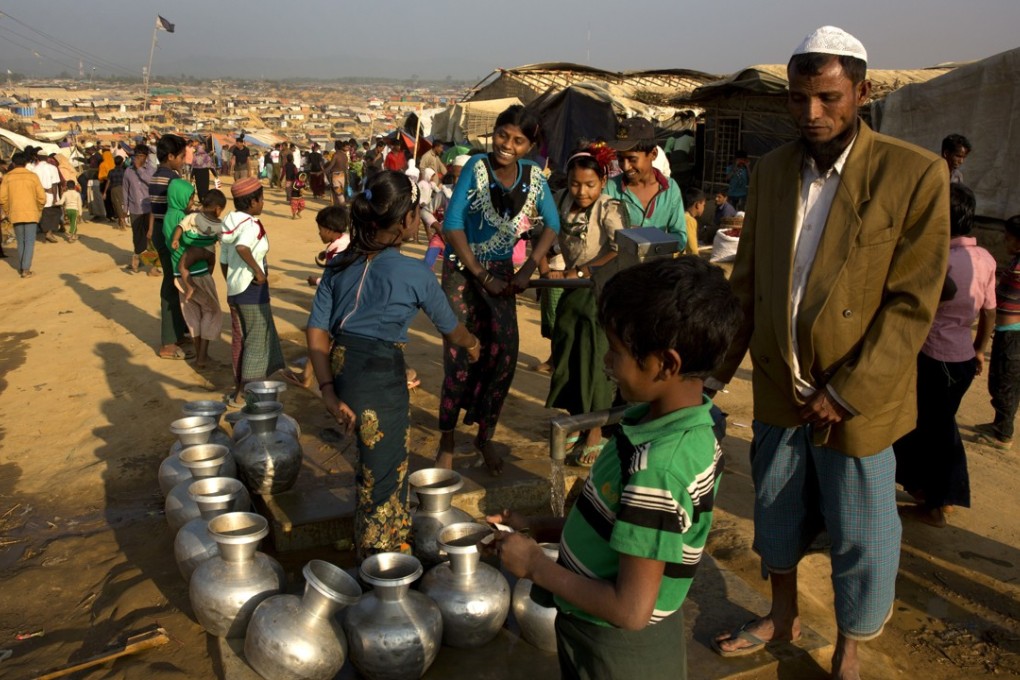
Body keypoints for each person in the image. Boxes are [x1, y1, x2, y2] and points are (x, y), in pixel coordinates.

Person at [708, 27, 950, 680]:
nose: (811, 114)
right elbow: (749, 283)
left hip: (859, 403)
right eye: (798, 99)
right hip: (781, 391)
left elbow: (911, 304)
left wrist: (845, 393)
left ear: (862, 93)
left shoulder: (914, 174)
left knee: (862, 535)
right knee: (776, 516)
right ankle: (781, 615)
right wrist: (713, 376)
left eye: (829, 98)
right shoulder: (773, 171)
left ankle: (852, 645)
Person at [488, 256, 742, 680]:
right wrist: (537, 525)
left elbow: (630, 609)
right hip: (596, 634)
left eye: (618, 351)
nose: (607, 361)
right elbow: (616, 520)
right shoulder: (663, 422)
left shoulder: (659, 471)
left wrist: (535, 566)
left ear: (667, 363)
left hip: (619, 651)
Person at [306, 171, 481, 559]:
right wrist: (473, 346)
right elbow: (452, 330)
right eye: (416, 214)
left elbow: (317, 331)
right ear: (405, 221)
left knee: (370, 465)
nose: (418, 222)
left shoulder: (337, 265)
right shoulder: (414, 272)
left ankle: (380, 548)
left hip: (341, 368)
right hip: (377, 375)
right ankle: (380, 565)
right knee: (382, 476)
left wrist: (328, 391)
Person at [437, 104, 561, 475]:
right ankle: (447, 438)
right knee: (461, 355)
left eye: (518, 140)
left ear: (530, 145)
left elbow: (552, 225)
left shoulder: (533, 175)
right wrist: (480, 273)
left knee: (504, 356)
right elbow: (452, 225)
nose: (507, 145)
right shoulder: (477, 167)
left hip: (503, 276)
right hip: (463, 271)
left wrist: (524, 272)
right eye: (502, 135)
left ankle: (483, 436)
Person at [894, 183, 995, 528]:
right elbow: (990, 312)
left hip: (934, 357)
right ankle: (930, 492)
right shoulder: (985, 259)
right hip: (962, 357)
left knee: (934, 430)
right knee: (935, 426)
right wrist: (979, 349)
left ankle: (939, 502)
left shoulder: (940, 260)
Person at [542, 143, 629, 466]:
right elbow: (548, 236)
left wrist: (582, 269)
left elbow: (619, 248)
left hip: (603, 290)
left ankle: (594, 432)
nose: (581, 191)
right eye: (576, 183)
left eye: (589, 185)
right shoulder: (561, 201)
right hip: (572, 288)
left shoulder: (611, 208)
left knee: (595, 358)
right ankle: (576, 418)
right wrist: (546, 266)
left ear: (602, 182)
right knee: (568, 351)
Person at [219, 177, 285, 407]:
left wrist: (231, 281)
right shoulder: (251, 225)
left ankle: (238, 387)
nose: (263, 203)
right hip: (251, 292)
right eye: (262, 199)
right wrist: (258, 272)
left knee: (241, 340)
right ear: (254, 201)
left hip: (235, 291)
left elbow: (225, 260)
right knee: (256, 342)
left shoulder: (229, 221)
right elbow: (242, 247)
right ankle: (246, 394)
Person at [974, 214, 1020, 451]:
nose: (1004, 241)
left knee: (1005, 381)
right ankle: (1000, 423)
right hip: (1007, 331)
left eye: (1008, 237)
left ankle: (1003, 434)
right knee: (1004, 379)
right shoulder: (1015, 262)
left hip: (1012, 333)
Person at [604, 117, 685, 244]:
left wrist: (649, 238)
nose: (625, 166)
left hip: (658, 263)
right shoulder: (610, 188)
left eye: (632, 159)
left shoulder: (670, 189)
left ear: (653, 154)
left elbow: (680, 239)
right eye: (620, 159)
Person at [172, 189, 227, 370]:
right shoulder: (218, 224)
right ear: (218, 209)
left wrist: (176, 240)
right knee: (211, 312)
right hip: (201, 268)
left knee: (193, 313)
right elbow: (223, 242)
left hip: (185, 269)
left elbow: (180, 227)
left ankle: (200, 356)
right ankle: (202, 357)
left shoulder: (192, 216)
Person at [148, 134, 191, 360]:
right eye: (182, 156)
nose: (184, 160)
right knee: (172, 284)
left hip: (161, 233)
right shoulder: (171, 179)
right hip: (170, 235)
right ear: (171, 156)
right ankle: (168, 343)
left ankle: (178, 331)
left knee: (176, 283)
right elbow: (177, 211)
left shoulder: (157, 176)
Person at [0, 151, 45, 278]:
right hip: (31, 213)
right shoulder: (33, 176)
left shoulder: (7, 177)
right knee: (29, 241)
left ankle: (22, 267)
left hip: (15, 213)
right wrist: (38, 209)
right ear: (25, 163)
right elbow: (42, 197)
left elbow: (2, 198)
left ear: (13, 163)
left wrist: (8, 211)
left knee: (21, 242)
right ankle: (25, 269)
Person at [122, 144, 155, 274]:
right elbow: (125, 190)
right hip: (135, 208)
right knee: (137, 236)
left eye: (141, 156)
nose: (138, 158)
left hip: (149, 209)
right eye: (136, 156)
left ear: (146, 157)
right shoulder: (128, 171)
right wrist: (125, 207)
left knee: (150, 237)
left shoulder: (151, 170)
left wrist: (140, 170)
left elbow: (152, 182)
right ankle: (137, 258)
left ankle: (152, 265)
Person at [26, 146, 62, 243]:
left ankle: (45, 231)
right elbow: (55, 184)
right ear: (47, 158)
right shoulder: (52, 168)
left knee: (43, 215)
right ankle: (49, 233)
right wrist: (55, 198)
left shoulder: (34, 170)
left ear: (37, 157)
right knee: (53, 214)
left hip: (38, 195)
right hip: (51, 195)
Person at [103, 156, 127, 229]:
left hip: (114, 189)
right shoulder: (124, 171)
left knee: (116, 205)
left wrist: (104, 192)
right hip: (124, 188)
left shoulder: (111, 171)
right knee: (123, 204)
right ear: (121, 163)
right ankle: (122, 220)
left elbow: (108, 182)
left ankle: (122, 220)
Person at [683, 187, 706, 256]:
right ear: (698, 205)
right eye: (703, 205)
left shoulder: (681, 215)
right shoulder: (689, 220)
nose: (704, 208)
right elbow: (692, 249)